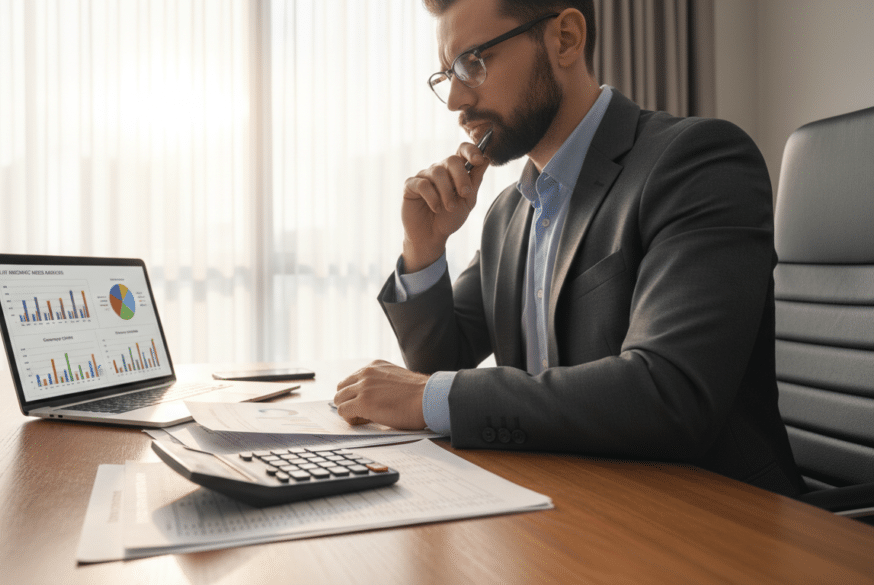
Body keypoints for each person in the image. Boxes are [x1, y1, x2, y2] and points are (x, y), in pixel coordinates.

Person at [332, 0, 804, 496]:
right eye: (447, 73)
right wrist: (422, 248)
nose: (454, 99)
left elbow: (669, 394)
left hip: (713, 523)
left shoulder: (697, 162)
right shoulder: (508, 216)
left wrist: (428, 395)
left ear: (565, 39)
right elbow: (441, 362)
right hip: (574, 507)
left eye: (473, 62)